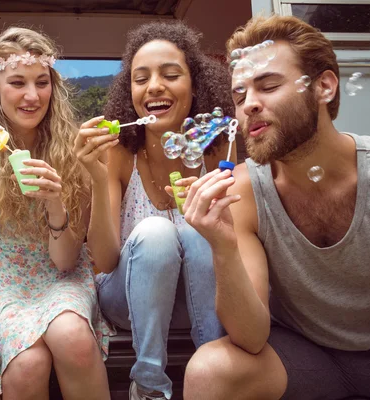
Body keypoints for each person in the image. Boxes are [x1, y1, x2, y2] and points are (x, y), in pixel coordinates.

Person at [181, 15, 370, 400]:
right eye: (239, 97)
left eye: (268, 86)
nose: (249, 106)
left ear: (323, 86)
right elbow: (250, 337)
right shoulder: (243, 190)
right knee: (210, 372)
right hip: (306, 355)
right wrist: (223, 246)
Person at [74, 20, 234, 400]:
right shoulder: (117, 154)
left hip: (203, 304)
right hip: (128, 302)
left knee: (199, 230)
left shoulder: (220, 151)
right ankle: (147, 386)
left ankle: (215, 371)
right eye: (140, 78)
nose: (154, 86)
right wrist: (96, 179)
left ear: (195, 85)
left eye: (170, 74)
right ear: (129, 92)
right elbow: (106, 261)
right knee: (157, 233)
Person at [0, 27, 111, 399]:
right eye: (18, 82)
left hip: (60, 275)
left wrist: (55, 204)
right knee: (26, 364)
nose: (32, 95)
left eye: (42, 82)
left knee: (74, 337)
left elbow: (67, 261)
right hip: (4, 276)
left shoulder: (74, 145)